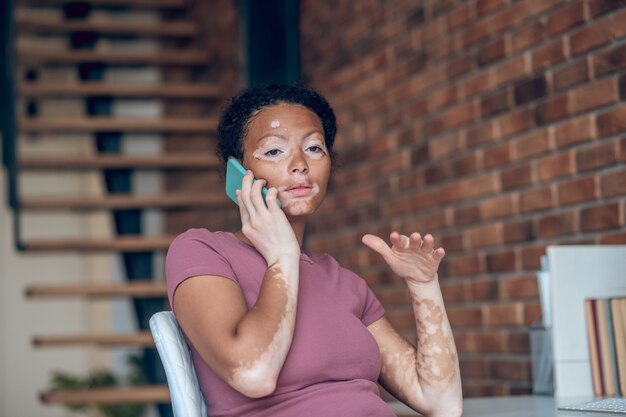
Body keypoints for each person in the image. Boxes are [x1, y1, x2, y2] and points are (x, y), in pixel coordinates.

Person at [165, 84, 462, 417]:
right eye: (274, 151)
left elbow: (441, 402)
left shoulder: (343, 281)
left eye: (314, 148)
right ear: (238, 175)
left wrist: (423, 286)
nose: (299, 164)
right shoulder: (202, 251)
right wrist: (283, 257)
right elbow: (254, 373)